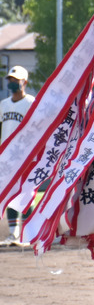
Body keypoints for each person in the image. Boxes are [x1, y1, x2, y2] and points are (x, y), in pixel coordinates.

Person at [1, 65, 34, 246]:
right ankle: (13, 233)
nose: (12, 83)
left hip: (25, 155)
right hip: (6, 157)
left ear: (24, 82)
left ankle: (30, 232)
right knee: (11, 195)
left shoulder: (31, 103)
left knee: (26, 193)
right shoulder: (4, 105)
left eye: (16, 80)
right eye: (10, 80)